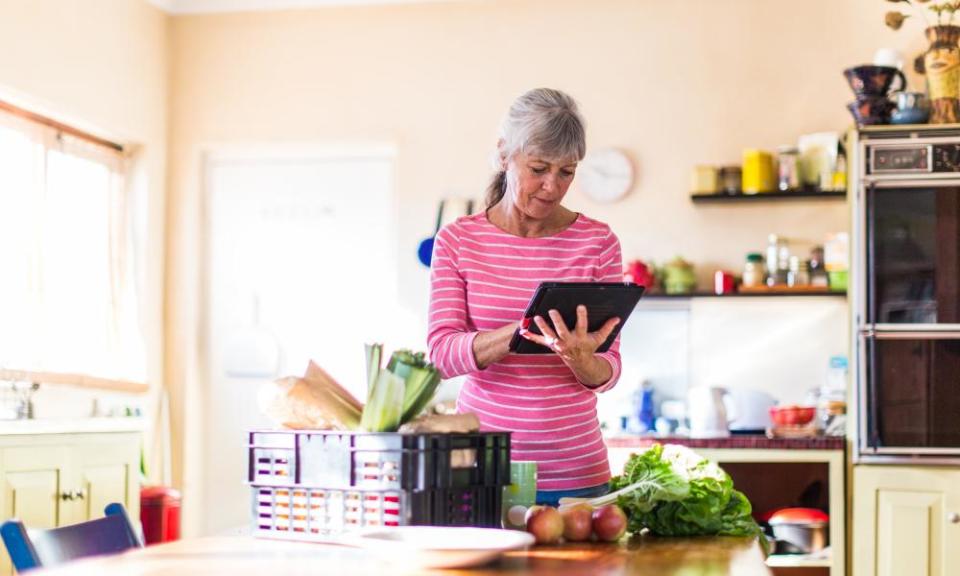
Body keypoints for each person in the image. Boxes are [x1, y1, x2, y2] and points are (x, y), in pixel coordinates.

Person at [427, 88, 624, 506]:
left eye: (567, 172)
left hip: (576, 471)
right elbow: (440, 356)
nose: (552, 187)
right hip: (485, 470)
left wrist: (581, 358)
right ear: (503, 155)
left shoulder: (598, 242)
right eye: (538, 168)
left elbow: (609, 369)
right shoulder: (458, 240)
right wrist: (520, 331)